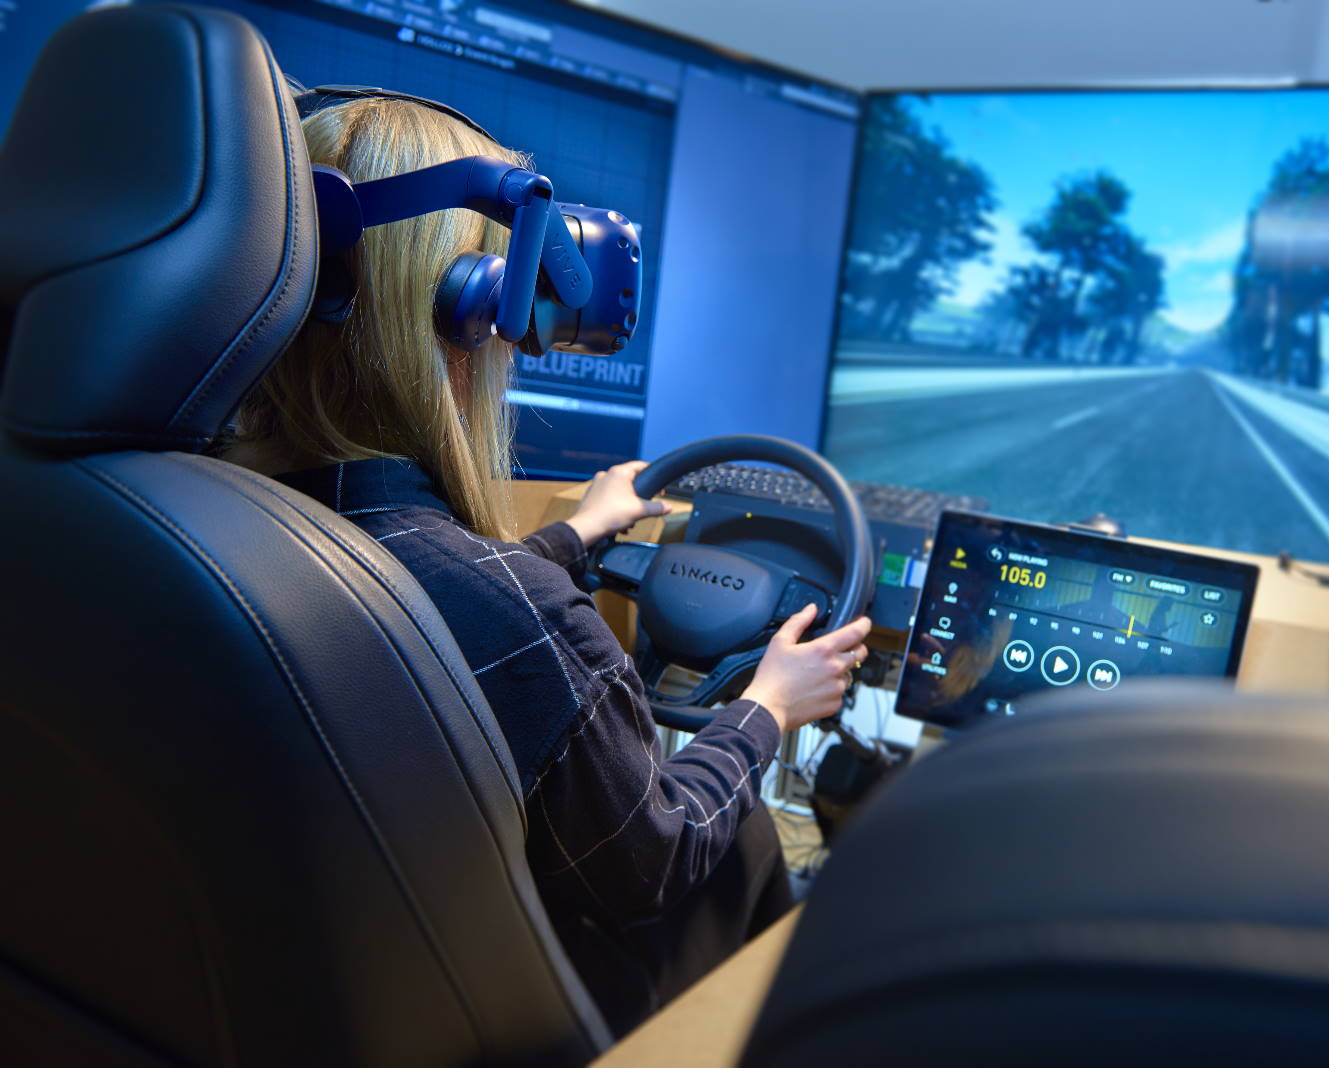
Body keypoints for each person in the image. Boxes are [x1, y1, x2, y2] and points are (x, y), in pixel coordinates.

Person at [225, 91, 871, 1033]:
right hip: (524, 1013)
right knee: (751, 840)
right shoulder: (510, 605)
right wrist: (767, 706)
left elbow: (425, 613)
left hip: (320, 989)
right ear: (471, 310)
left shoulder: (226, 513)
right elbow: (656, 856)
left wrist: (577, 535)